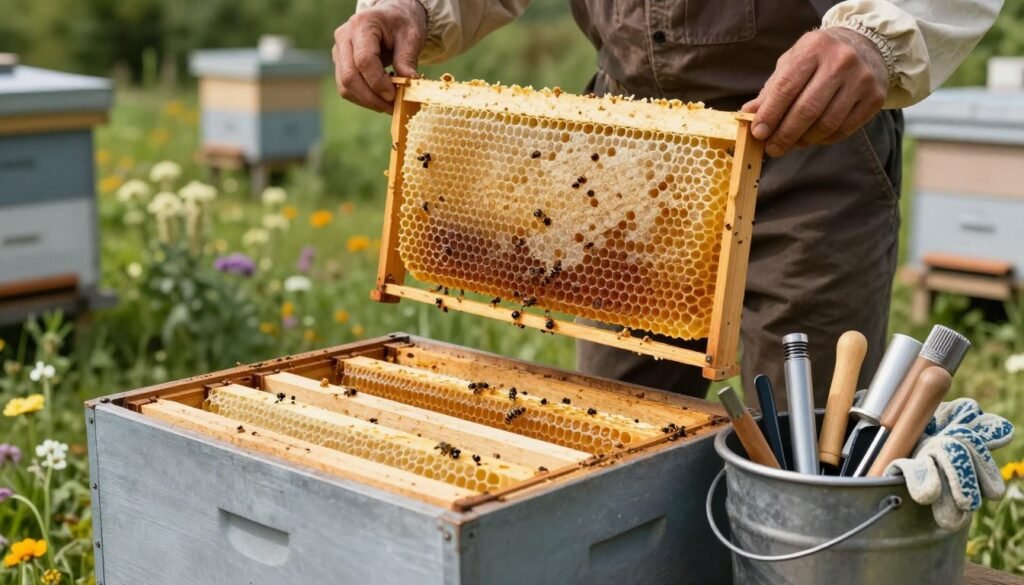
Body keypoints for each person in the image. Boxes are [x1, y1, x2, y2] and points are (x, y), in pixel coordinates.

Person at [332, 0, 1001, 406]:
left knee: (807, 457)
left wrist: (878, 34)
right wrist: (411, 6)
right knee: (616, 440)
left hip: (807, 139)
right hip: (622, 163)